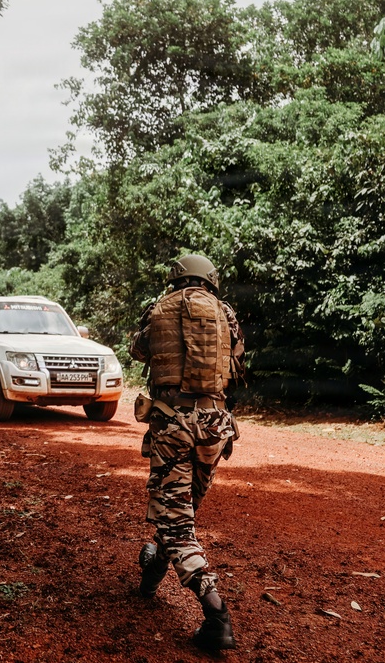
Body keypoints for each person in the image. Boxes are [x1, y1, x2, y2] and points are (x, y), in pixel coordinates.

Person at [129, 254, 246, 651]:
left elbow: (138, 351)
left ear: (175, 277)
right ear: (211, 279)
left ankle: (216, 615)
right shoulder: (225, 311)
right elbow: (238, 359)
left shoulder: (159, 307)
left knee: (178, 523)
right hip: (215, 425)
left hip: (173, 425)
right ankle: (153, 569)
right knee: (181, 509)